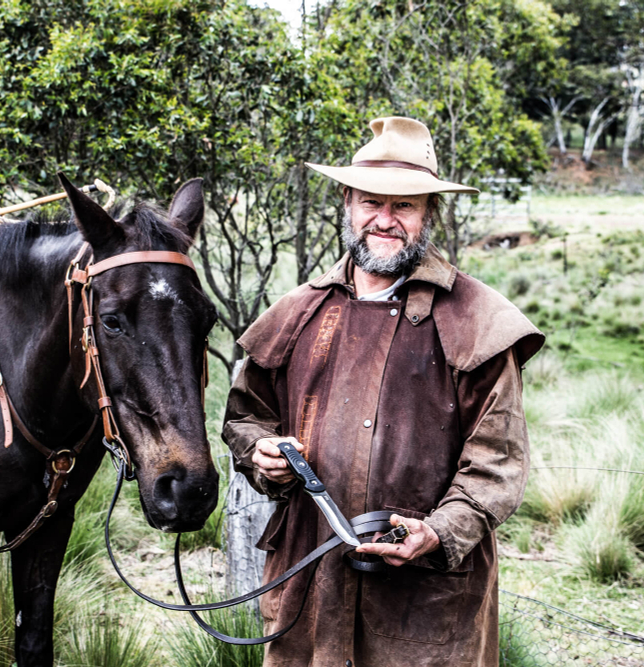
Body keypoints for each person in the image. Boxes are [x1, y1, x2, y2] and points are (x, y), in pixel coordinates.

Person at [222, 116, 544, 667]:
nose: (385, 220)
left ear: (429, 214)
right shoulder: (300, 311)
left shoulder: (477, 321)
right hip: (308, 580)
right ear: (347, 201)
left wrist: (439, 532)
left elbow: (497, 461)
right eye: (372, 202)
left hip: (425, 598)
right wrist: (261, 453)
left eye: (405, 206)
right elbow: (246, 416)